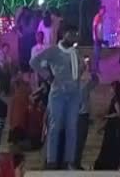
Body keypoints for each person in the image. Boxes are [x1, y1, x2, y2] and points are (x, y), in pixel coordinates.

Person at [30, 25, 84, 169]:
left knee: (72, 127)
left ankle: (69, 161)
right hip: (58, 93)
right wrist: (48, 77)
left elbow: (80, 69)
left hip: (74, 94)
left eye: (76, 34)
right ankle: (51, 161)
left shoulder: (76, 52)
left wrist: (81, 70)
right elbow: (34, 62)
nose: (74, 37)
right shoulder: (53, 50)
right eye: (72, 33)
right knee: (55, 127)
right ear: (64, 34)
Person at [94, 80, 120, 169]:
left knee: (111, 146)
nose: (110, 89)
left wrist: (106, 116)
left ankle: (110, 164)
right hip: (115, 126)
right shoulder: (117, 98)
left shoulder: (116, 100)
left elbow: (119, 114)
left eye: (111, 87)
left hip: (115, 128)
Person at [74, 69, 99, 169]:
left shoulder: (83, 84)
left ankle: (76, 162)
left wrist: (93, 73)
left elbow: (96, 81)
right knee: (79, 141)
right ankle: (75, 163)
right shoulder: (82, 85)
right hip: (80, 116)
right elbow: (95, 81)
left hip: (82, 115)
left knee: (80, 141)